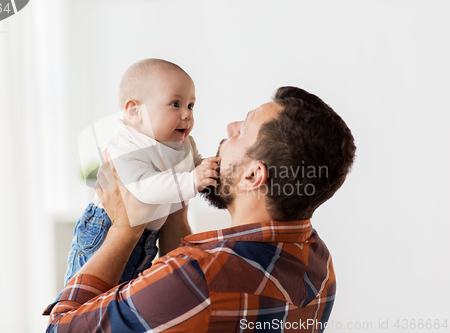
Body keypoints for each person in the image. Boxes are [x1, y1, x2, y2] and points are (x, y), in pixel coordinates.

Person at [43, 86, 356, 332]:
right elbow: (179, 313)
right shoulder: (319, 265)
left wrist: (126, 230)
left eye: (242, 130)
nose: (229, 127)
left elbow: (60, 330)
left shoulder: (199, 277)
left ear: (252, 175)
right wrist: (176, 211)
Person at [64, 58, 219, 285]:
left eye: (190, 105)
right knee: (91, 296)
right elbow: (144, 188)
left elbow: (195, 165)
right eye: (175, 104)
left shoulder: (184, 145)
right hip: (104, 232)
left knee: (126, 297)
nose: (187, 114)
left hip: (147, 236)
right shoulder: (125, 146)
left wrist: (211, 169)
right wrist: (193, 180)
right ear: (135, 111)